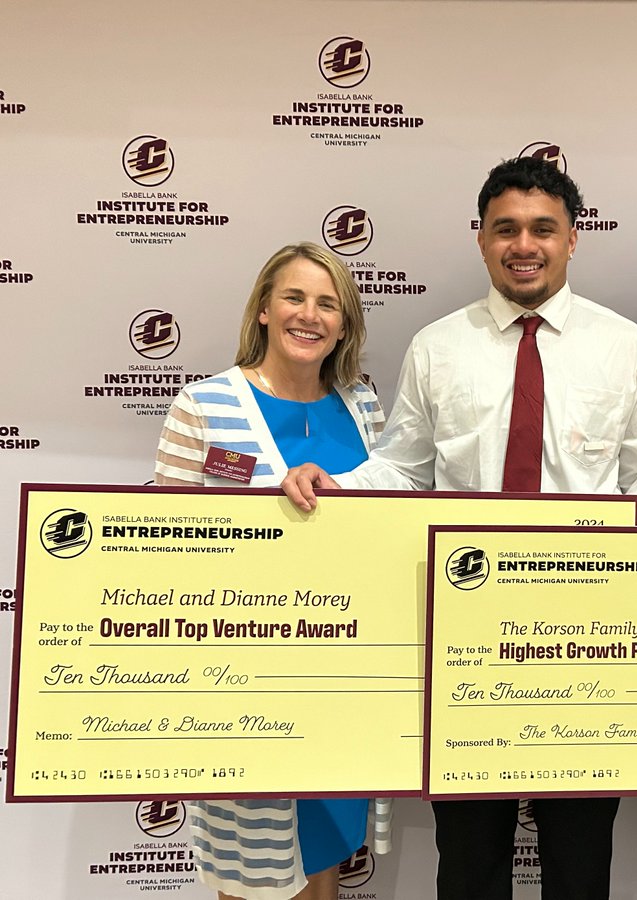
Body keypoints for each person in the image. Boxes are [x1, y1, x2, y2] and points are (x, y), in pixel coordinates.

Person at [281, 159, 637, 899]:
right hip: (465, 640)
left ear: (573, 239)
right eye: (505, 228)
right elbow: (406, 470)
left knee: (579, 865)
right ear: (480, 239)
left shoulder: (621, 345)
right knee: (470, 861)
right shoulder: (437, 346)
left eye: (543, 228)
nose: (524, 244)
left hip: (586, 640)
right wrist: (338, 486)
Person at [155, 242, 391, 900]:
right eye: (294, 297)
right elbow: (160, 552)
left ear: (344, 324)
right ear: (263, 308)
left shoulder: (365, 407)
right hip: (242, 689)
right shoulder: (203, 407)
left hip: (345, 686)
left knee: (324, 872)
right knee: (251, 878)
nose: (309, 315)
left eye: (328, 304)